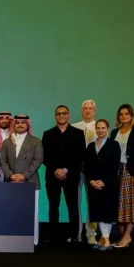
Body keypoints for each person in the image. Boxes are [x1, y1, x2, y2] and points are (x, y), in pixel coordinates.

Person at [42, 105, 86, 244]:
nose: (61, 116)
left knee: (72, 206)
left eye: (64, 113)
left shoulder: (78, 133)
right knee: (53, 206)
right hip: (52, 175)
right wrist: (56, 170)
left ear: (69, 115)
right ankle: (53, 235)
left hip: (71, 176)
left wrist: (66, 170)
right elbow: (44, 156)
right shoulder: (48, 134)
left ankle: (74, 236)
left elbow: (80, 156)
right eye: (59, 113)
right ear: (55, 116)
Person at [0, 114, 43, 245]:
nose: (20, 125)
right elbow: (3, 160)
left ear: (27, 125)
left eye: (23, 123)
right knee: (11, 212)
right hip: (11, 182)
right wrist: (10, 175)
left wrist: (24, 175)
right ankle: (12, 240)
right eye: (17, 123)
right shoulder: (7, 142)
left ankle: (33, 240)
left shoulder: (36, 141)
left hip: (30, 182)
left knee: (31, 212)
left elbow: (38, 160)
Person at [110, 103, 134, 248]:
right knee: (117, 206)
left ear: (132, 115)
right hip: (116, 171)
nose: (124, 116)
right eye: (121, 114)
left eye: (126, 113)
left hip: (130, 171)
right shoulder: (114, 132)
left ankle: (126, 237)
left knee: (131, 206)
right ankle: (124, 237)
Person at [84, 119, 121, 251]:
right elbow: (87, 166)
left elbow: (115, 166)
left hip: (108, 184)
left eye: (103, 128)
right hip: (94, 184)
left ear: (108, 129)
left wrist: (104, 181)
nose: (100, 130)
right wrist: (91, 180)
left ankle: (106, 240)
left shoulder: (114, 145)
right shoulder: (90, 146)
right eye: (98, 128)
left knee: (107, 211)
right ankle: (103, 239)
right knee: (97, 211)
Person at [72, 99, 98, 244]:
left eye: (90, 108)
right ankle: (76, 233)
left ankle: (91, 234)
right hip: (77, 170)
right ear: (82, 111)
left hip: (93, 171)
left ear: (94, 111)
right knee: (75, 202)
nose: (88, 111)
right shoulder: (74, 127)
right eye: (85, 108)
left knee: (92, 202)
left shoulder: (100, 127)